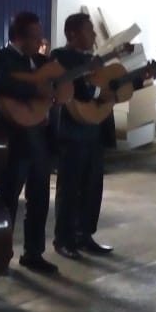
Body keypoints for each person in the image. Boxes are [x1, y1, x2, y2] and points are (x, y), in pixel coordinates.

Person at [0, 11, 58, 275]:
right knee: (8, 200)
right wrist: (33, 90)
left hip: (39, 137)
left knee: (39, 199)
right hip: (14, 139)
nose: (40, 40)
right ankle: (0, 253)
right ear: (19, 37)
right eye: (35, 35)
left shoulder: (41, 61)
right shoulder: (1, 57)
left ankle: (34, 252)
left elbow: (56, 86)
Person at [49, 13, 117, 259]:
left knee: (92, 186)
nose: (94, 35)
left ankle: (85, 235)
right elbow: (73, 88)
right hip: (71, 129)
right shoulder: (60, 57)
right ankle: (64, 239)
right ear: (71, 34)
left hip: (94, 129)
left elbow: (105, 87)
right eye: (89, 30)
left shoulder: (94, 60)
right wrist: (98, 88)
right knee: (70, 188)